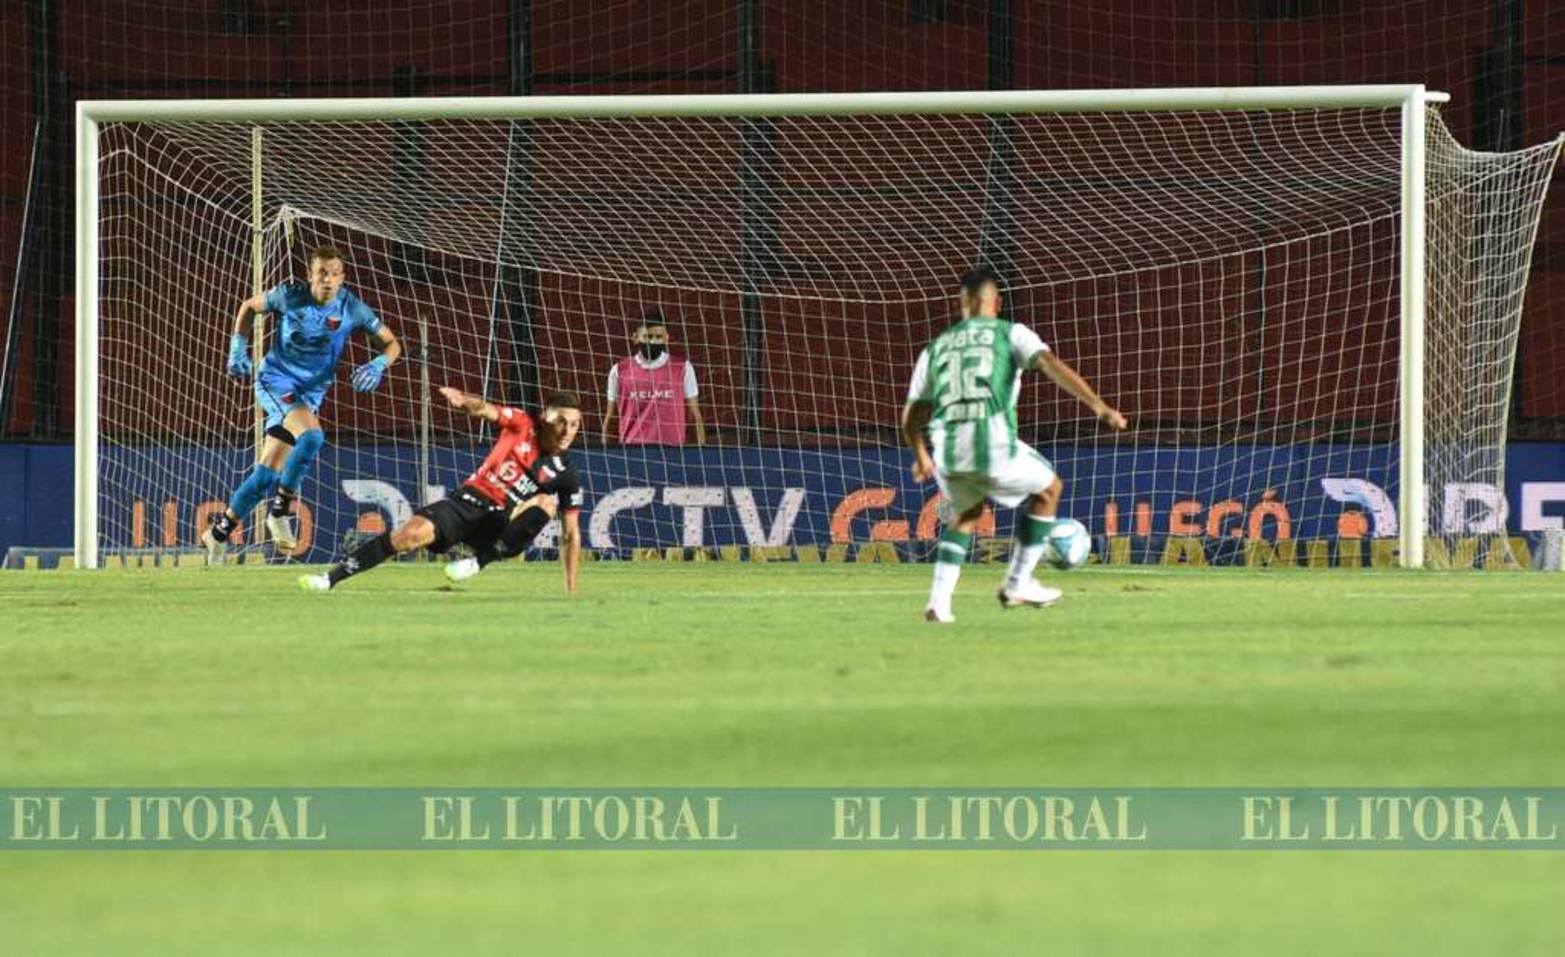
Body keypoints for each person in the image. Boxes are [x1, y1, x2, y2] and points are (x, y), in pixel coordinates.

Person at [902, 266, 1127, 623]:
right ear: (997, 302)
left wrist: (920, 455)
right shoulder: (1011, 334)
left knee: (966, 514)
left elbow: (912, 415)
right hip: (990, 446)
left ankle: (938, 604)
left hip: (945, 450)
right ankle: (1018, 583)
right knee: (1050, 489)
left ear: (961, 303)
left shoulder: (938, 346)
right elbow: (1049, 364)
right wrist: (1099, 406)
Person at [203, 245, 401, 563]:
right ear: (310, 275)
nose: (328, 280)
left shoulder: (352, 308)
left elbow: (392, 343)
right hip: (276, 381)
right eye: (322, 273)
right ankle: (280, 512)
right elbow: (249, 306)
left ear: (342, 277)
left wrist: (379, 364)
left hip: (310, 393)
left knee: (266, 473)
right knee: (312, 436)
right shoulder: (289, 295)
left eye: (334, 274)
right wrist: (237, 348)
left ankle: (217, 534)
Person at [299, 387, 584, 593]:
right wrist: (464, 402)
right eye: (561, 421)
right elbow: (486, 409)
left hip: (499, 524)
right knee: (408, 535)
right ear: (545, 417)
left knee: (546, 502)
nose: (567, 430)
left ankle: (477, 563)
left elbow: (571, 534)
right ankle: (329, 579)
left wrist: (571, 588)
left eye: (573, 424)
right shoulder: (523, 424)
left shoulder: (566, 472)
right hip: (466, 503)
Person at [601, 311, 706, 446]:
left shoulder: (683, 368)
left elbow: (694, 415)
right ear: (635, 338)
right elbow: (611, 418)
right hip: (631, 452)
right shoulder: (619, 370)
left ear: (666, 338)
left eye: (658, 336)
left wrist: (700, 454)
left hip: (674, 453)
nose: (653, 341)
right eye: (647, 336)